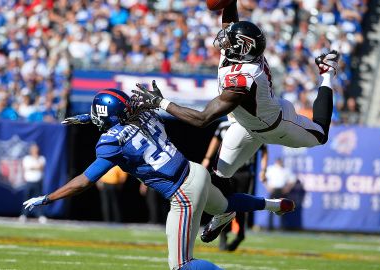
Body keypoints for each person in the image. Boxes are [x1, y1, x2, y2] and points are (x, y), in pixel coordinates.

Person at [131, 0, 338, 243]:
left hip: (276, 127)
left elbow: (202, 119)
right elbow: (231, 22)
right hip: (244, 125)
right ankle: (225, 214)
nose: (224, 40)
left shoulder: (244, 79)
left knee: (321, 135)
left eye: (230, 40)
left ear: (243, 48)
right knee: (217, 177)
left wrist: (161, 103)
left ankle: (327, 73)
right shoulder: (238, 53)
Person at [23, 89, 295, 270]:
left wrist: (48, 197)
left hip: (182, 192)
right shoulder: (146, 113)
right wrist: (88, 118)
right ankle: (272, 204)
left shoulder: (110, 142)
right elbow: (123, 113)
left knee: (181, 265)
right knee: (224, 206)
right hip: (194, 170)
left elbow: (84, 181)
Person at [202, 120, 268, 251]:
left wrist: (263, 169)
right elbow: (215, 141)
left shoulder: (252, 124)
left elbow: (264, 149)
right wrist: (207, 158)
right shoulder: (224, 126)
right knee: (223, 203)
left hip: (244, 172)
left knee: (240, 206)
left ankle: (240, 234)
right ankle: (223, 235)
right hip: (226, 172)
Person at [264, 158, 297, 230]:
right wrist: (267, 186)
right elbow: (263, 177)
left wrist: (287, 188)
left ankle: (282, 227)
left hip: (281, 190)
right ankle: (269, 227)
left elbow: (293, 180)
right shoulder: (271, 169)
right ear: (276, 162)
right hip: (273, 190)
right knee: (270, 207)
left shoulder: (285, 170)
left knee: (283, 208)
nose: (279, 163)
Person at [20, 144, 47, 223]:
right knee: (26, 199)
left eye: (36, 149)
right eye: (34, 149)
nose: (35, 151)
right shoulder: (27, 158)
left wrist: (35, 164)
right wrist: (35, 166)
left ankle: (40, 215)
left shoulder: (41, 158)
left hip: (38, 182)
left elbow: (41, 167)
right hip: (29, 182)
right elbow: (27, 167)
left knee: (39, 199)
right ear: (31, 150)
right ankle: (23, 215)